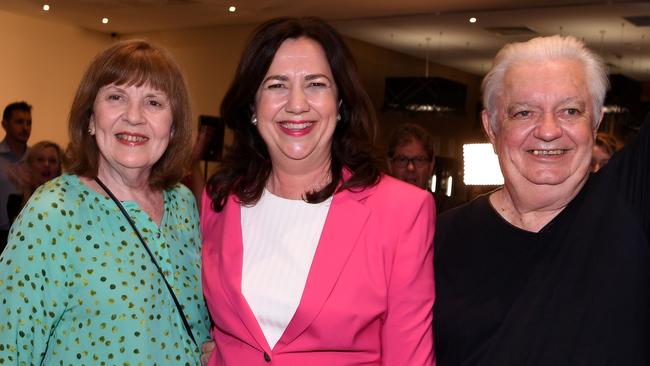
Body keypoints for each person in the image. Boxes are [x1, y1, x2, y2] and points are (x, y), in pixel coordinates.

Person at [201, 17, 435, 365]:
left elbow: (409, 357)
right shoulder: (218, 199)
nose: (297, 104)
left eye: (316, 84)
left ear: (340, 103)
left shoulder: (402, 210)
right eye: (276, 85)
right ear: (253, 105)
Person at [434, 35, 649, 365]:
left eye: (570, 110)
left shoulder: (630, 202)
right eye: (523, 113)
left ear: (595, 123)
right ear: (491, 127)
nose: (548, 131)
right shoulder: (438, 237)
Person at [0, 39, 210, 364]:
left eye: (154, 102)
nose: (134, 116)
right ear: (90, 118)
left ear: (173, 127)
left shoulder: (182, 204)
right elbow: (9, 347)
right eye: (116, 97)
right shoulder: (53, 212)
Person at [387, 123, 463, 213]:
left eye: (419, 160)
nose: (410, 168)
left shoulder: (451, 212)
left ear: (431, 165)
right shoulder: (376, 209)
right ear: (390, 165)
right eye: (402, 159)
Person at [6, 140, 63, 224]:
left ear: (58, 168)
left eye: (52, 161)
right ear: (30, 165)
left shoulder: (65, 198)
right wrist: (27, 191)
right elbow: (20, 227)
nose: (46, 164)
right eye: (40, 160)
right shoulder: (15, 201)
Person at [0, 101, 32, 247]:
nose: (25, 128)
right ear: (4, 124)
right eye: (19, 122)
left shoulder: (36, 160)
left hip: (29, 235)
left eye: (29, 122)